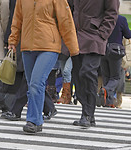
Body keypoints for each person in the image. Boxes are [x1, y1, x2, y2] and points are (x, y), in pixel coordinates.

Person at [8, 0, 79, 134]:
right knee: (32, 85)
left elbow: (66, 22)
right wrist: (13, 40)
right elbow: (17, 19)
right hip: (27, 47)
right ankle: (37, 120)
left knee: (36, 83)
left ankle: (33, 121)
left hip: (49, 46)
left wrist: (73, 49)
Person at [71, 0, 119, 128]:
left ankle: (88, 113)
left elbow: (112, 12)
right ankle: (87, 113)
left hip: (94, 37)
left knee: (87, 72)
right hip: (75, 37)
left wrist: (102, 34)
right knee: (77, 75)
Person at [99, 14, 131, 108]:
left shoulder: (101, 17)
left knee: (106, 76)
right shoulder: (121, 19)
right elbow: (128, 35)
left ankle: (108, 102)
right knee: (115, 77)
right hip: (115, 50)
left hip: (102, 49)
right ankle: (106, 89)